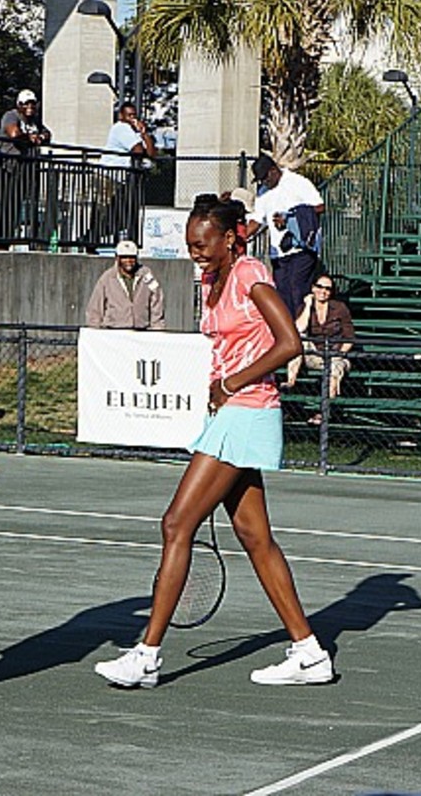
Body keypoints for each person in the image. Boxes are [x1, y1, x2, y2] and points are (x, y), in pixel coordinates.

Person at [94, 195, 334, 689]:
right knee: (255, 538)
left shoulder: (248, 274)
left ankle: (147, 655)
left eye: (203, 244)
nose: (195, 253)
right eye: (189, 246)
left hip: (246, 412)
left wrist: (230, 383)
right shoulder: (210, 280)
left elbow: (289, 342)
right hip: (232, 413)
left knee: (176, 523)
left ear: (230, 238)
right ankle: (310, 653)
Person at [246, 154, 324, 318]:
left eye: (265, 178)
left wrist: (290, 217)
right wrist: (241, 237)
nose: (264, 183)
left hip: (302, 249)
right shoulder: (263, 193)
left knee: (298, 289)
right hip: (279, 254)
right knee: (282, 293)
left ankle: (302, 330)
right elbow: (257, 220)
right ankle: (289, 333)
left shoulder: (297, 183)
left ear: (274, 171)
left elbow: (319, 206)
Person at [285, 276, 355, 425]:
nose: (323, 291)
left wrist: (339, 354)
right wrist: (308, 305)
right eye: (319, 287)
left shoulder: (340, 308)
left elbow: (349, 338)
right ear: (313, 288)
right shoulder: (305, 307)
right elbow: (298, 329)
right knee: (299, 342)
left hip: (336, 354)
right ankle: (290, 382)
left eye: (327, 288)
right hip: (315, 353)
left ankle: (324, 412)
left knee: (335, 371)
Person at [93, 101, 156, 244]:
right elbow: (137, 150)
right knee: (104, 211)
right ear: (121, 116)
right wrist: (142, 149)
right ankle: (91, 239)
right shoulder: (121, 128)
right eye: (129, 115)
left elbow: (152, 153)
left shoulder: (135, 132)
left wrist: (144, 134)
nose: (132, 118)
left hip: (122, 179)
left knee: (119, 212)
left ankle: (102, 238)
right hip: (108, 176)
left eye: (134, 115)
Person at [0, 89, 51, 244]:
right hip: (8, 167)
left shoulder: (35, 121)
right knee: (7, 203)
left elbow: (47, 134)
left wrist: (40, 136)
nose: (30, 107)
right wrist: (30, 138)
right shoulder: (11, 116)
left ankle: (7, 237)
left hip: (27, 169)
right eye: (26, 104)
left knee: (17, 204)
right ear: (19, 105)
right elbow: (14, 134)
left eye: (32, 104)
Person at [84, 240, 166, 330]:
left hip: (141, 331)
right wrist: (94, 330)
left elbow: (157, 298)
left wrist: (157, 327)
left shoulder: (147, 274)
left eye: (132, 257)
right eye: (124, 257)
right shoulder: (107, 278)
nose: (128, 261)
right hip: (114, 331)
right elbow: (95, 307)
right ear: (117, 258)